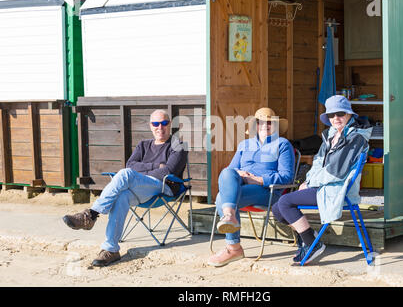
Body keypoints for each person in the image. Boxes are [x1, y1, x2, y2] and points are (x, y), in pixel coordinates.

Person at [62, 109, 187, 267]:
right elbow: (131, 164)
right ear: (150, 126)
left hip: (164, 187)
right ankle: (111, 249)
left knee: (125, 174)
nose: (160, 127)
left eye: (164, 123)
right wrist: (156, 165)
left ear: (170, 125)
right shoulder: (143, 145)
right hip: (140, 188)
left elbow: (168, 171)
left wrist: (142, 171)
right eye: (156, 123)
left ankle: (90, 215)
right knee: (122, 196)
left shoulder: (178, 146)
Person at [271, 95, 372, 265]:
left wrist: (310, 183)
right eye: (331, 115)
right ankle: (308, 239)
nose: (336, 118)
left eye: (340, 113)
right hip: (323, 186)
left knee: (285, 202)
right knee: (277, 209)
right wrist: (307, 181)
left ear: (349, 115)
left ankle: (312, 244)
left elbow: (336, 172)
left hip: (338, 189)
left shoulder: (355, 138)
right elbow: (317, 163)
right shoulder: (330, 136)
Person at [208, 107, 295, 267]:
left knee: (222, 198)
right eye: (260, 122)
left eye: (270, 122)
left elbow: (286, 176)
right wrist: (241, 174)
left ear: (275, 126)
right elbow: (231, 170)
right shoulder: (244, 145)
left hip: (267, 191)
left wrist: (259, 179)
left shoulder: (282, 144)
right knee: (226, 172)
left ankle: (233, 247)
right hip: (242, 186)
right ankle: (230, 218)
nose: (265, 125)